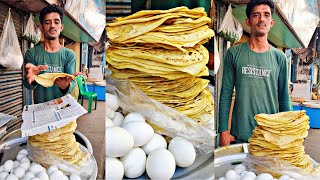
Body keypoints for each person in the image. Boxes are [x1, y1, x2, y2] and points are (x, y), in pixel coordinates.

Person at [219, 0, 291, 146]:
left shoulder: (280, 58)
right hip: (239, 136)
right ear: (248, 22)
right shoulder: (234, 53)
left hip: (270, 137)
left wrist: (289, 133)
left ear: (271, 22)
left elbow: (284, 97)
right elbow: (225, 94)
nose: (261, 19)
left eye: (266, 15)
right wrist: (223, 131)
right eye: (256, 15)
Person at [23, 4, 76, 104]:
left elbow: (72, 84)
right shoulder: (32, 53)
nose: (52, 26)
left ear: (61, 27)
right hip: (41, 111)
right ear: (41, 27)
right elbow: (28, 85)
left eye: (56, 22)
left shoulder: (69, 55)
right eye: (47, 22)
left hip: (62, 109)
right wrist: (32, 77)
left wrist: (66, 86)